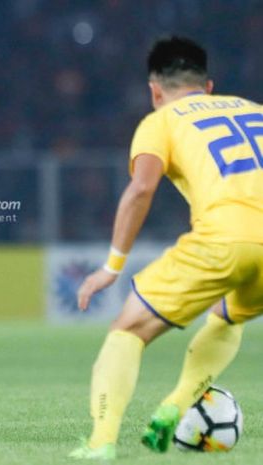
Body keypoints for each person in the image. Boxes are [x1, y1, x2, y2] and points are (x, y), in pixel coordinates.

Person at [69, 36, 263, 460]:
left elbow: (141, 190)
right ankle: (174, 406)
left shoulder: (160, 121)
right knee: (228, 318)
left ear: (154, 91)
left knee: (128, 331)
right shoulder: (255, 110)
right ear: (208, 87)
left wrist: (111, 266)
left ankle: (101, 443)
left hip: (224, 238)